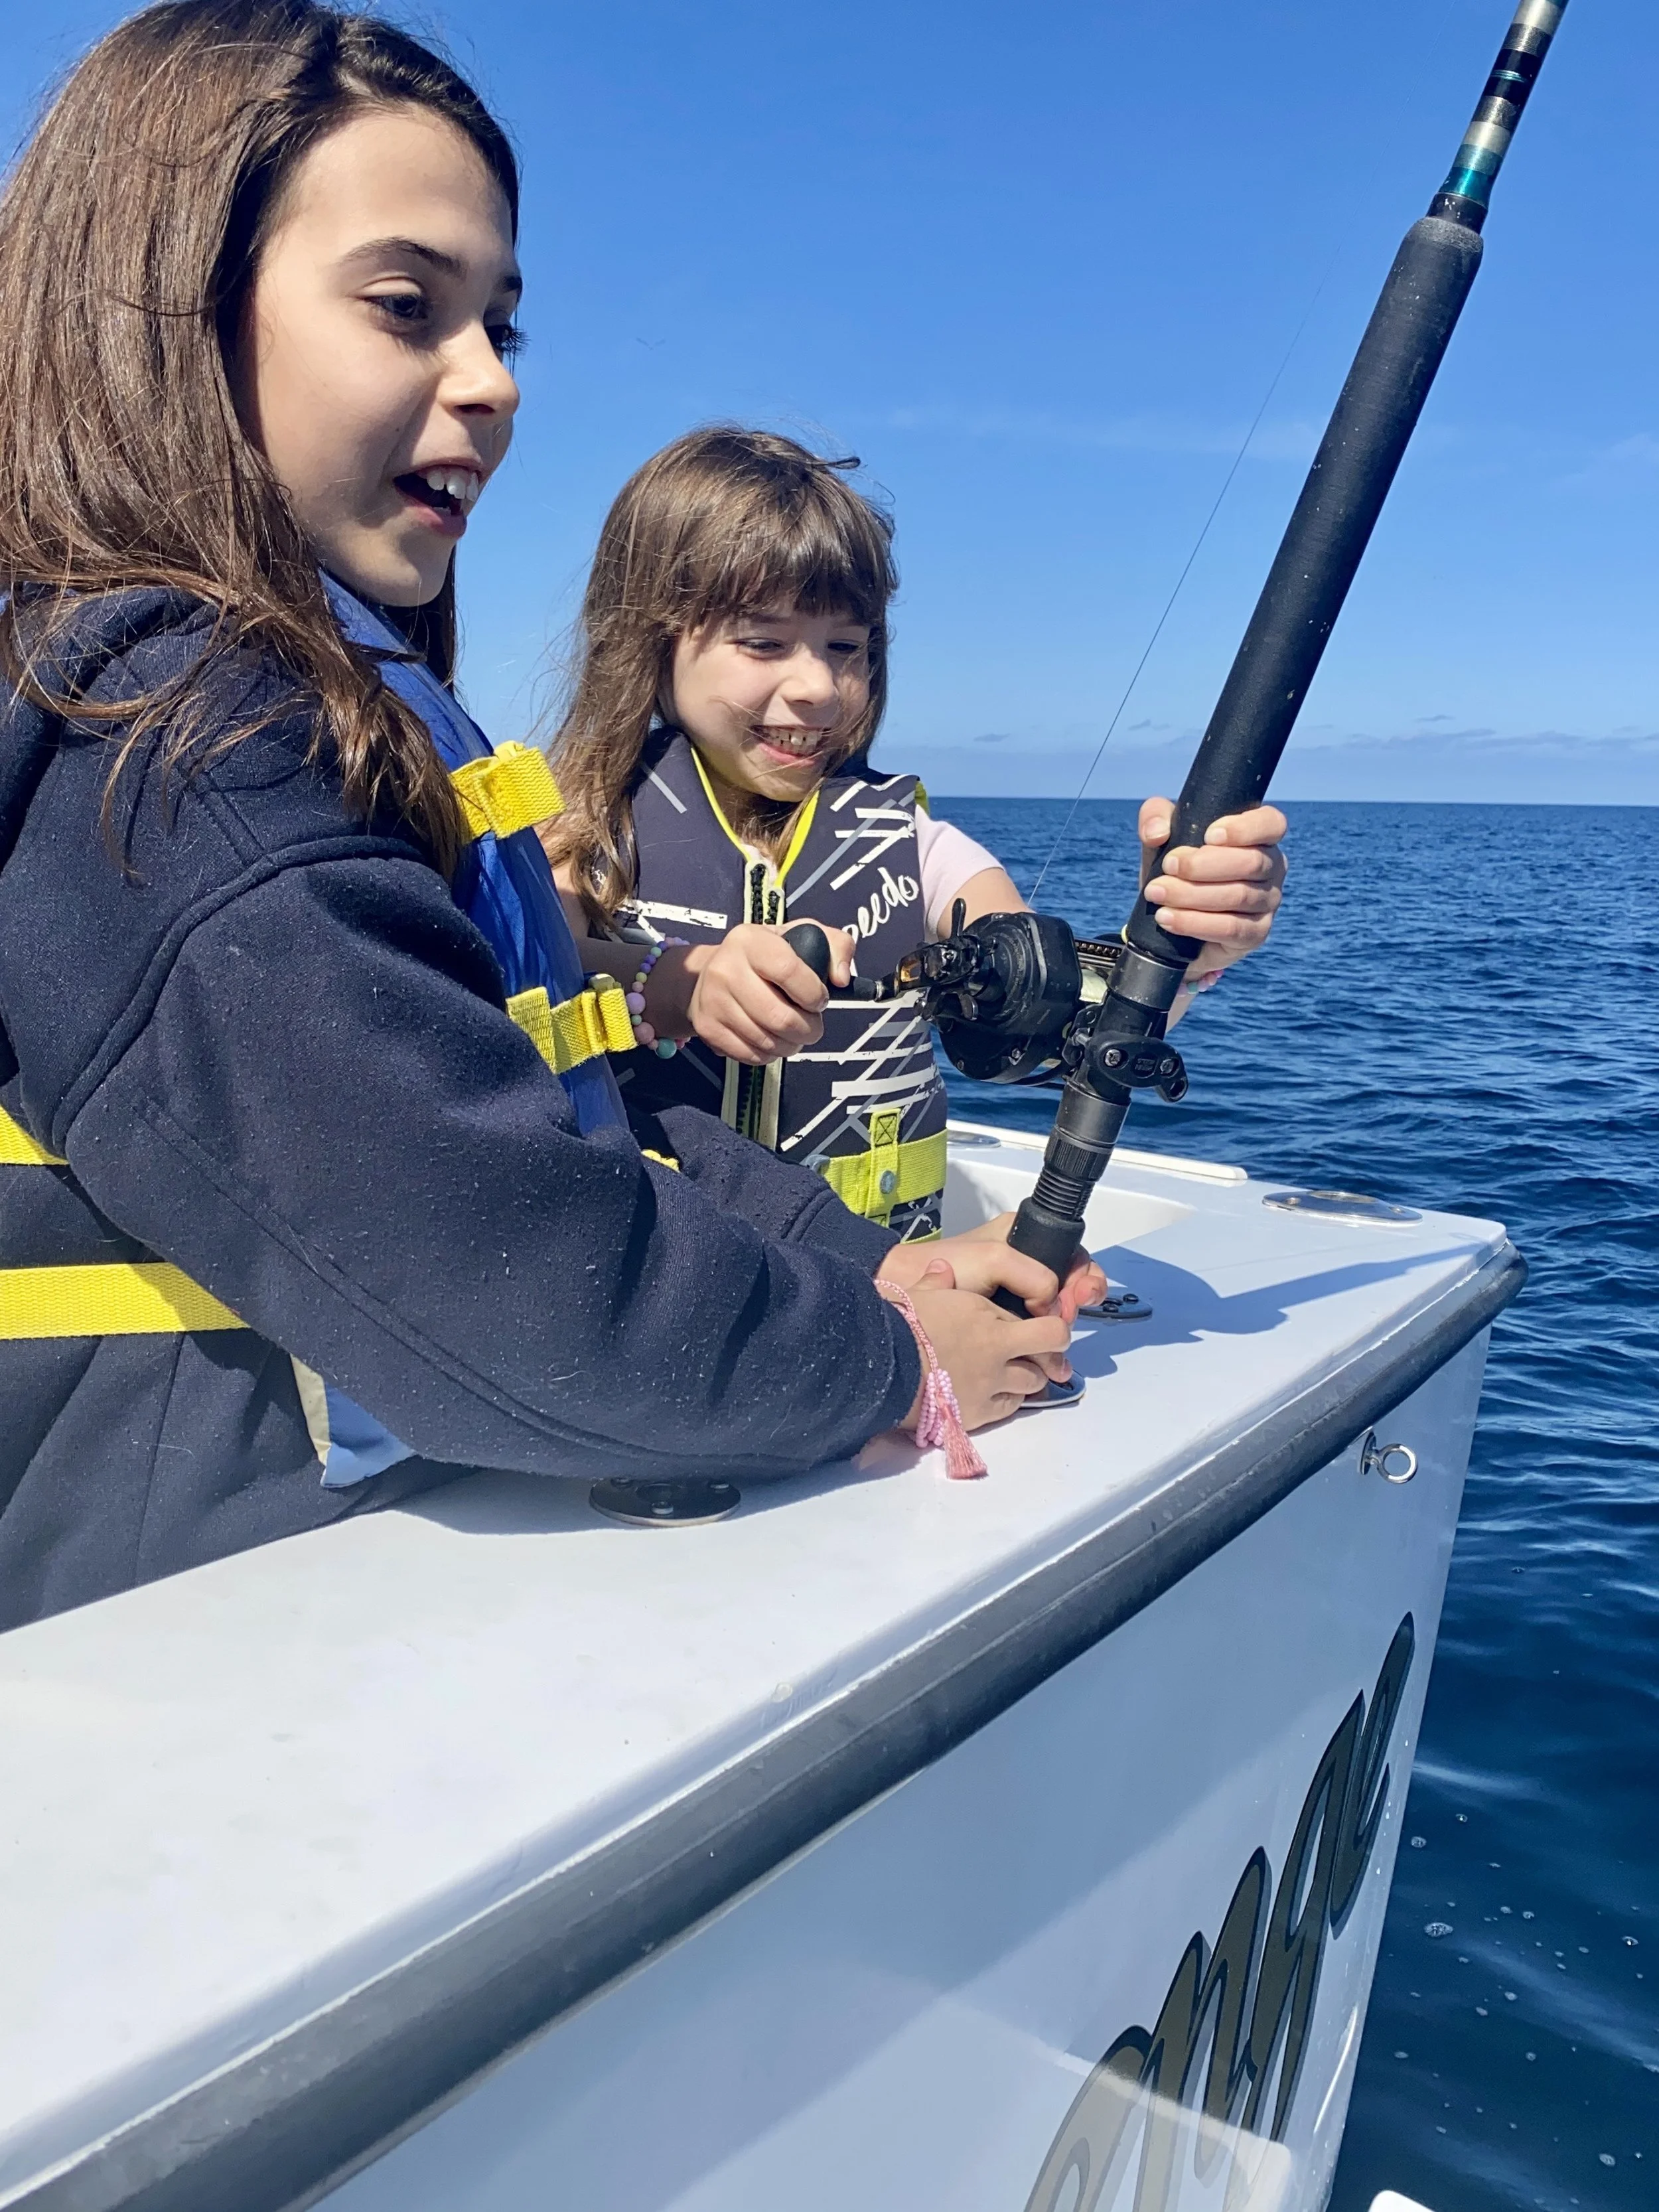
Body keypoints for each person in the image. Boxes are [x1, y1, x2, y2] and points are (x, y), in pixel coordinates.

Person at [0, 3, 1096, 1633]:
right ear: (160, 313)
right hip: (192, 1680)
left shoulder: (290, 711)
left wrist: (861, 1261)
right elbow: (504, 1273)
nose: (493, 383)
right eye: (405, 308)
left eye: (502, 323)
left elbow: (571, 1114)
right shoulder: (165, 752)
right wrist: (886, 1359)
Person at [544, 429, 1288, 1239]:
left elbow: (1053, 1014)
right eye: (763, 641)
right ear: (647, 640)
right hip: (669, 1282)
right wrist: (678, 982)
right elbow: (529, 974)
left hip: (885, 1295)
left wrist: (1176, 946)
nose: (820, 688)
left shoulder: (919, 849)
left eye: (847, 648)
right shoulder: (578, 829)